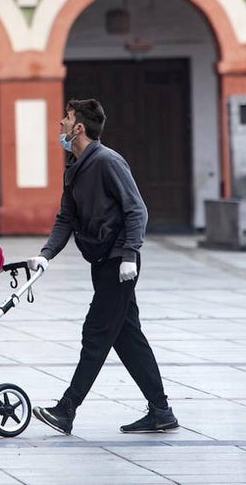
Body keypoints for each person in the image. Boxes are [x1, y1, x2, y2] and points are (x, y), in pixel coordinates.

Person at [28, 98, 179, 435]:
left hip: (119, 262)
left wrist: (130, 254)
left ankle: (66, 409)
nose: (61, 124)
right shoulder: (74, 167)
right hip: (101, 261)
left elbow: (136, 210)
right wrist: (46, 255)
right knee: (127, 337)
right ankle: (161, 411)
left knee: (95, 332)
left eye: (67, 118)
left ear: (79, 127)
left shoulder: (108, 161)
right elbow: (66, 218)